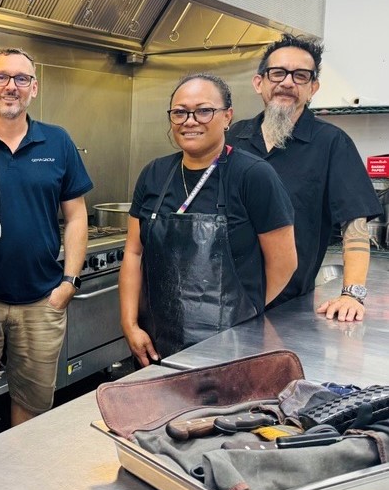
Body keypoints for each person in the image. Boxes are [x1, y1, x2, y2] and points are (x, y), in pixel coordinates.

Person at [120, 73, 298, 366]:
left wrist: (243, 316)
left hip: (230, 349)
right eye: (180, 112)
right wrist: (130, 324)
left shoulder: (253, 175)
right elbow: (133, 252)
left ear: (227, 116)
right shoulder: (154, 174)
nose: (190, 121)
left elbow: (284, 263)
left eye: (203, 111)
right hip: (156, 344)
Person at [0, 48, 91, 448]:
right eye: (1, 77)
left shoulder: (57, 141)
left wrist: (69, 282)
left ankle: (22, 482)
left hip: (41, 300)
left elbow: (76, 216)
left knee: (32, 405)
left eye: (21, 79)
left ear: (34, 88)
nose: (11, 87)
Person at [227, 34, 382, 322]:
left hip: (285, 308)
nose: (287, 82)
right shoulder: (234, 137)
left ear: (313, 89)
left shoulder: (332, 143)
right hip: (223, 297)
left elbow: (355, 224)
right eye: (278, 73)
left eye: (300, 76)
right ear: (259, 82)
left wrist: (352, 294)